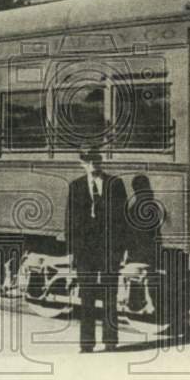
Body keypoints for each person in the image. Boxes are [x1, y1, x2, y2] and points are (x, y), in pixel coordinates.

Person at [67, 146, 129, 353]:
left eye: (96, 160)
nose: (93, 164)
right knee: (87, 297)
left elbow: (123, 220)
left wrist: (123, 249)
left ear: (101, 161)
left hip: (109, 249)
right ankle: (87, 344)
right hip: (85, 251)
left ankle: (111, 342)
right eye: (88, 161)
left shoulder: (115, 184)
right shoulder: (76, 186)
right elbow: (70, 220)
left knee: (110, 295)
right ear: (82, 163)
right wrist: (72, 251)